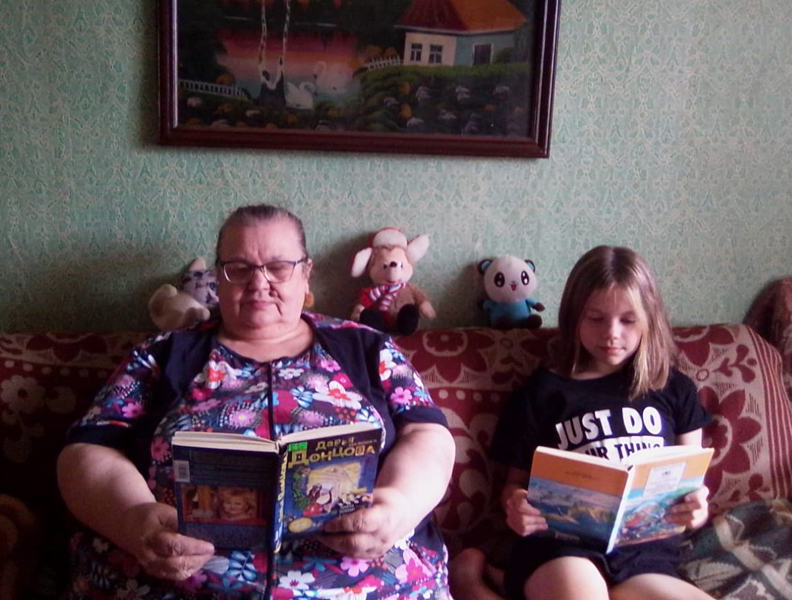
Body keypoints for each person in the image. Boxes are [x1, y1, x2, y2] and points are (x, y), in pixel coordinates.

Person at [57, 204, 456, 600]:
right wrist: (133, 519)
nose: (259, 283)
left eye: (278, 267)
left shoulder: (366, 348)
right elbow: (88, 450)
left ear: (306, 272)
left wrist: (400, 506)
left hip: (366, 583)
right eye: (240, 269)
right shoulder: (164, 354)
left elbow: (427, 434)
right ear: (219, 276)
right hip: (175, 584)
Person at [449, 246, 715, 600]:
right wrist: (517, 505)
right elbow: (514, 486)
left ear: (649, 318)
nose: (612, 333)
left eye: (628, 320)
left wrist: (696, 510)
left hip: (645, 557)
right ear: (574, 316)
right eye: (596, 318)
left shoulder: (674, 388)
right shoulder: (544, 391)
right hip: (562, 548)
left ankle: (482, 586)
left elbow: (690, 483)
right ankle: (486, 582)